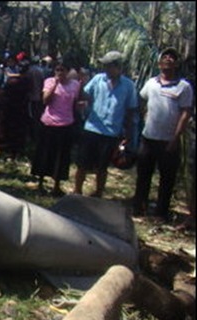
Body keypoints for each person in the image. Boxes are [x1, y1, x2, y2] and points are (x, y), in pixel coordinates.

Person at [132, 47, 194, 222]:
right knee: (143, 174)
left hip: (169, 141)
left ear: (176, 63)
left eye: (172, 57)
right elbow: (142, 101)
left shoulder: (184, 87)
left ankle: (160, 213)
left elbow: (185, 113)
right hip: (148, 137)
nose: (168, 59)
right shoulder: (151, 83)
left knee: (167, 179)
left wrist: (175, 138)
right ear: (159, 63)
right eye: (165, 56)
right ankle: (139, 208)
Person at [73, 50, 138, 198]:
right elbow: (85, 96)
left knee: (102, 167)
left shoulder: (128, 86)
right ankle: (77, 190)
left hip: (111, 132)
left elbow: (130, 111)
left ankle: (98, 192)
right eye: (105, 66)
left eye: (109, 66)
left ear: (118, 67)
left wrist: (128, 134)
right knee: (82, 163)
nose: (106, 69)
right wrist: (80, 86)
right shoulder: (98, 79)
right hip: (92, 127)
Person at [30, 59, 81, 196]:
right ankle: (40, 183)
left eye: (62, 70)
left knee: (61, 156)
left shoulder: (74, 85)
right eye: (57, 70)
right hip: (48, 123)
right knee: (44, 154)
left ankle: (56, 186)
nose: (59, 73)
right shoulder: (49, 82)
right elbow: (45, 100)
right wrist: (55, 85)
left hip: (65, 124)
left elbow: (74, 102)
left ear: (68, 71)